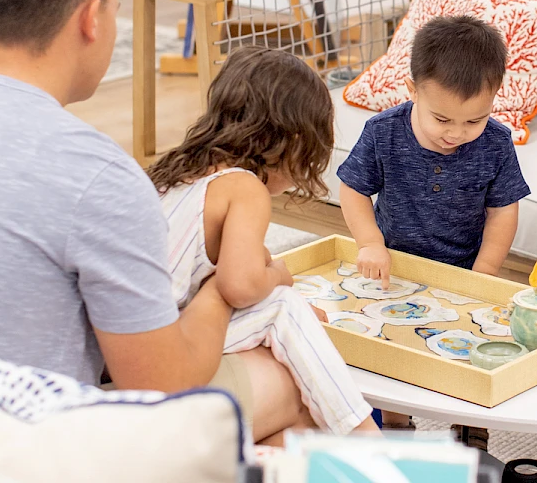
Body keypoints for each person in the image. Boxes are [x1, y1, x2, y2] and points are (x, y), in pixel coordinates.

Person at [0, 0, 309, 445]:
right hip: (31, 450)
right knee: (292, 387)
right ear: (91, 20)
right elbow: (161, 391)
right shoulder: (99, 178)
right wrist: (216, 295)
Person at [148, 45, 377, 440]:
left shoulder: (177, 174)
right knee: (284, 305)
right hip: (166, 356)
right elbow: (239, 286)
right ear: (292, 141)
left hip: (144, 341)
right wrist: (277, 275)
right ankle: (365, 435)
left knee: (291, 321)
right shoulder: (243, 187)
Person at [337, 15, 531, 433]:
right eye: (442, 119)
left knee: (476, 355)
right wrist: (369, 243)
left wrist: (487, 272)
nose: (457, 134)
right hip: (395, 269)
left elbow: (503, 210)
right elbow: (353, 190)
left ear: (495, 98)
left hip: (463, 271)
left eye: (473, 121)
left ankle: (473, 432)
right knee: (390, 350)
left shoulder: (495, 142)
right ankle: (396, 423)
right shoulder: (383, 132)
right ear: (412, 91)